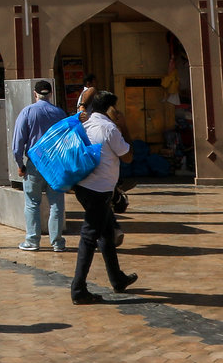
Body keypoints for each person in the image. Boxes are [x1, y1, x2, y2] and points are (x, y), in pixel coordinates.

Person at [67, 90, 137, 304]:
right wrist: (123, 125)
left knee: (106, 232)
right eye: (115, 107)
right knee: (89, 238)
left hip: (83, 187)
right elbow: (127, 157)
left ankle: (117, 279)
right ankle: (78, 290)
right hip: (99, 190)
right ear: (110, 108)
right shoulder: (109, 128)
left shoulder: (86, 125)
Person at [11, 79, 67, 252]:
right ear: (50, 94)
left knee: (32, 203)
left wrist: (20, 164)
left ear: (35, 94)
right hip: (56, 165)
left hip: (35, 163)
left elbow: (17, 143)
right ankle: (57, 242)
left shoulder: (27, 112)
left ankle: (32, 241)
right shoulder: (60, 113)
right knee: (56, 204)